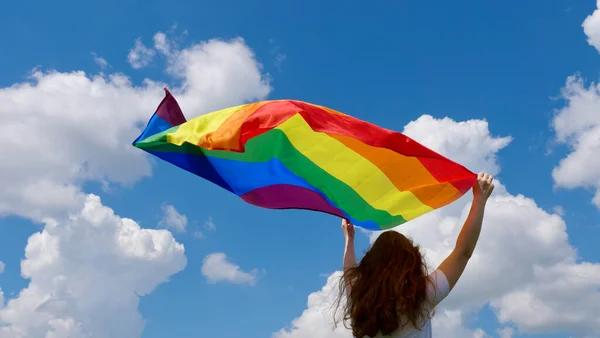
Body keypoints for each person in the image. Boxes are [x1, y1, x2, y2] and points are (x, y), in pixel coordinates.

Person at [333, 172, 495, 338]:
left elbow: (349, 271)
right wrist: (479, 200)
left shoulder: (359, 300)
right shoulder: (422, 295)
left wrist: (349, 240)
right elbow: (463, 252)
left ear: (369, 265)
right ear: (412, 263)